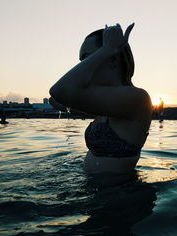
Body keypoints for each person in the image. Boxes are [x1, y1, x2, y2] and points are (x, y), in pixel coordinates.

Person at [49, 23, 152, 174]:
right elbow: (56, 99)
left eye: (87, 58)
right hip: (91, 191)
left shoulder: (138, 99)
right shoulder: (107, 107)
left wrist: (108, 49)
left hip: (120, 195)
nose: (85, 66)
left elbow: (60, 90)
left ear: (113, 59)